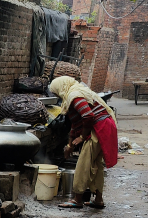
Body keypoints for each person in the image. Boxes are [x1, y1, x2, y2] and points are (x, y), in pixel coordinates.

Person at [48, 76, 119, 209]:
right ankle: (98, 199)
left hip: (99, 128)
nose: (57, 96)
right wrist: (69, 145)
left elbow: (88, 116)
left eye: (56, 93)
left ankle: (77, 199)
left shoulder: (74, 96)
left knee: (83, 164)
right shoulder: (74, 94)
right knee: (96, 164)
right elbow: (75, 123)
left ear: (60, 88)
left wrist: (81, 137)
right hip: (105, 126)